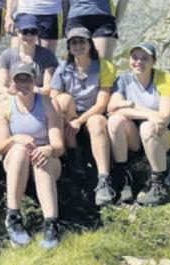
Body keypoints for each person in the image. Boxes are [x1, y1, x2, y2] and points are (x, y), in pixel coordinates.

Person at [0, 62, 64, 249]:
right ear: (12, 81)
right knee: (18, 150)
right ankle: (14, 216)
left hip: (45, 162)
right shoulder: (5, 106)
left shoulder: (48, 103)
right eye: (19, 79)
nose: (23, 84)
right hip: (17, 161)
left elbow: (59, 146)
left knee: (41, 159)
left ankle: (51, 223)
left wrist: (47, 149)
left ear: (35, 81)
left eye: (27, 79)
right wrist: (16, 138)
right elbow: (1, 147)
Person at [50, 27, 117, 206]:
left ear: (90, 44)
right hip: (70, 114)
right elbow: (53, 96)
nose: (78, 46)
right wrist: (69, 120)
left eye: (82, 41)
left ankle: (103, 178)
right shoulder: (63, 67)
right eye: (74, 42)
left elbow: (102, 103)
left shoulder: (104, 66)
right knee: (62, 100)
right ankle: (72, 155)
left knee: (96, 123)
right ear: (69, 47)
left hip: (93, 113)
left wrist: (80, 121)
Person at [107, 43, 170, 206]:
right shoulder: (123, 80)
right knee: (115, 120)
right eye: (135, 58)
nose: (139, 62)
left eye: (145, 59)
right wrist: (147, 113)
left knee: (147, 127)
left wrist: (128, 106)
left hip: (160, 134)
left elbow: (164, 118)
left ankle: (160, 185)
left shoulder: (165, 80)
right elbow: (112, 108)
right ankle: (122, 178)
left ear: (154, 62)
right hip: (135, 136)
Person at [0, 14, 58, 109]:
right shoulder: (6, 55)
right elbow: (1, 87)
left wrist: (29, 91)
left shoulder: (47, 55)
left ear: (38, 33)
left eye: (33, 32)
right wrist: (15, 93)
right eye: (25, 32)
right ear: (17, 32)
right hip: (14, 96)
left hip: (38, 97)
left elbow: (47, 89)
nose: (29, 36)